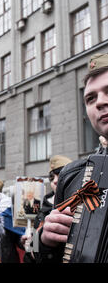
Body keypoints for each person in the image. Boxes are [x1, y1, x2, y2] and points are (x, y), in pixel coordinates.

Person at [39, 53, 108, 262]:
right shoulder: (74, 175)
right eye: (90, 98)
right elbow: (44, 257)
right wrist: (45, 241)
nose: (100, 102)